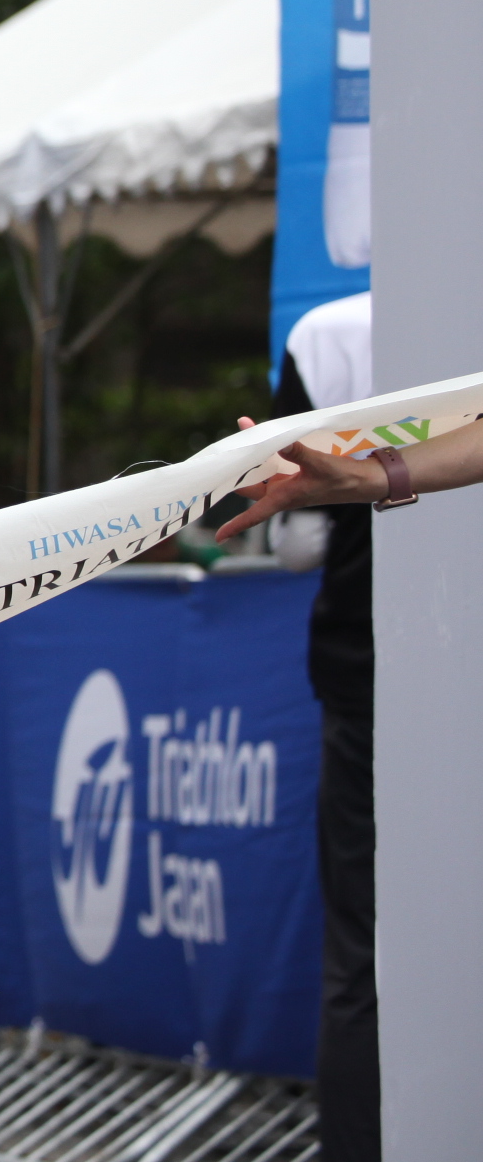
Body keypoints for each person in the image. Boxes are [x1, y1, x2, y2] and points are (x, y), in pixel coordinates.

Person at [232, 291, 376, 1160]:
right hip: (376, 672)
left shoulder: (329, 332)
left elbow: (295, 536)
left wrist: (366, 483)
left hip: (365, 663)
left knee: (363, 950)